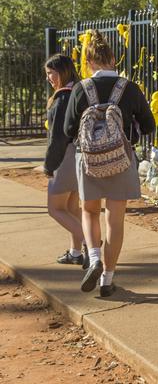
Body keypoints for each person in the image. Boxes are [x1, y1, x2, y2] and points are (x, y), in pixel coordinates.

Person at [64, 30, 155, 297]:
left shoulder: (81, 89)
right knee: (115, 219)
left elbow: (69, 129)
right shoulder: (129, 87)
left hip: (89, 159)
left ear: (89, 62)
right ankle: (107, 278)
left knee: (90, 211)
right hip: (120, 158)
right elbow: (149, 126)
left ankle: (93, 258)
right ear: (113, 59)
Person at [42, 54, 85, 266]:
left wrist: (49, 166)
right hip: (79, 156)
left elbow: (57, 138)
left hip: (65, 157)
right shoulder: (79, 91)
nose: (49, 77)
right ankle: (76, 252)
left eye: (52, 73)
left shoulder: (62, 98)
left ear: (63, 71)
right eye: (47, 73)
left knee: (55, 208)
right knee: (71, 207)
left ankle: (92, 243)